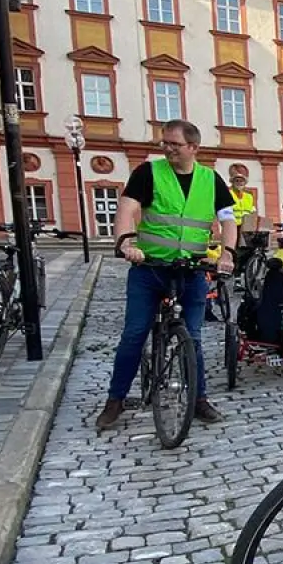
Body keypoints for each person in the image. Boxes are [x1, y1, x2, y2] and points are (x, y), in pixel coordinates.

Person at [96, 119, 236, 430]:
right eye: (165, 143)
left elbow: (228, 220)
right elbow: (126, 209)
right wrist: (125, 242)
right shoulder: (149, 172)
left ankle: (199, 399)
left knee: (194, 338)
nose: (168, 148)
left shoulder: (210, 180)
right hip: (150, 269)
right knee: (134, 335)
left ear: (193, 147)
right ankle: (115, 400)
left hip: (191, 270)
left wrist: (227, 253)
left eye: (175, 144)